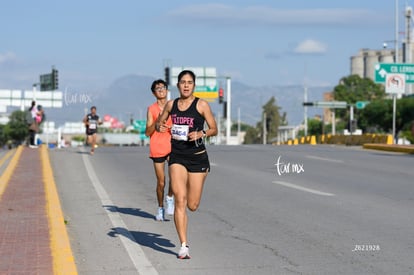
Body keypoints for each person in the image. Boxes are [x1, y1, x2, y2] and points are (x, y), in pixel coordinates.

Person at [156, 70, 218, 259]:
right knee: (180, 200)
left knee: (192, 205)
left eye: (189, 82)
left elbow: (214, 128)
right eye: (183, 82)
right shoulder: (171, 104)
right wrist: (162, 126)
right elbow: (160, 124)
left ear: (194, 85)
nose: (186, 85)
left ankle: (203, 173)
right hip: (177, 157)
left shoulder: (201, 105)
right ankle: (184, 246)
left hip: (198, 157)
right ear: (178, 85)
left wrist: (202, 134)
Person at [145, 79, 174, 221]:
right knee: (161, 181)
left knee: (175, 177)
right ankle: (160, 207)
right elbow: (147, 132)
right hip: (157, 146)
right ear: (153, 93)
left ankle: (170, 198)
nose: (161, 90)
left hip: (173, 145)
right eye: (158, 88)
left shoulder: (174, 105)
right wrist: (156, 124)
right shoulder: (151, 109)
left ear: (167, 90)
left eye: (163, 87)